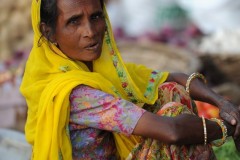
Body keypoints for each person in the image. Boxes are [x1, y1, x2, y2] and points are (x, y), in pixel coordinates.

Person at [20, 0, 240, 159]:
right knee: (174, 117)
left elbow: (173, 77)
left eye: (96, 17)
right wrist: (227, 127)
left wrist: (222, 102)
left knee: (171, 90)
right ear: (48, 32)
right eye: (74, 22)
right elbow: (172, 131)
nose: (90, 31)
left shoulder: (102, 71)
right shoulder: (76, 94)